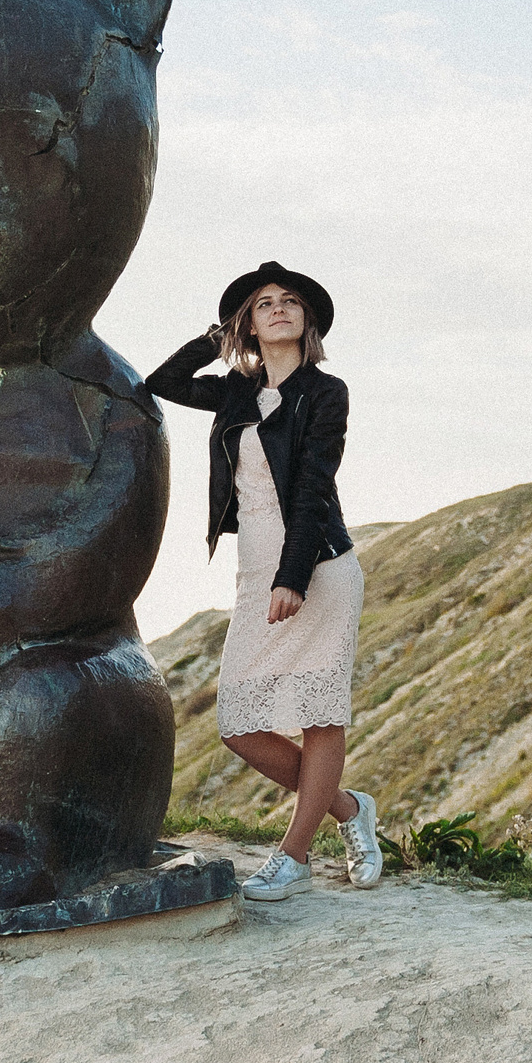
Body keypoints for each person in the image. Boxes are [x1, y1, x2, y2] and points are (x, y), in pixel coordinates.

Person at [147, 261, 378, 901]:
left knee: (319, 713)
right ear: (249, 322)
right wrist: (218, 332)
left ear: (308, 321)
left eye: (290, 301)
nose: (278, 309)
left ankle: (294, 858)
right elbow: (161, 381)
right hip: (256, 572)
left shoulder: (325, 393)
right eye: (264, 303)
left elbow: (312, 489)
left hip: (318, 565)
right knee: (239, 724)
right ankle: (351, 811)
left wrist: (292, 576)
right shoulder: (236, 393)